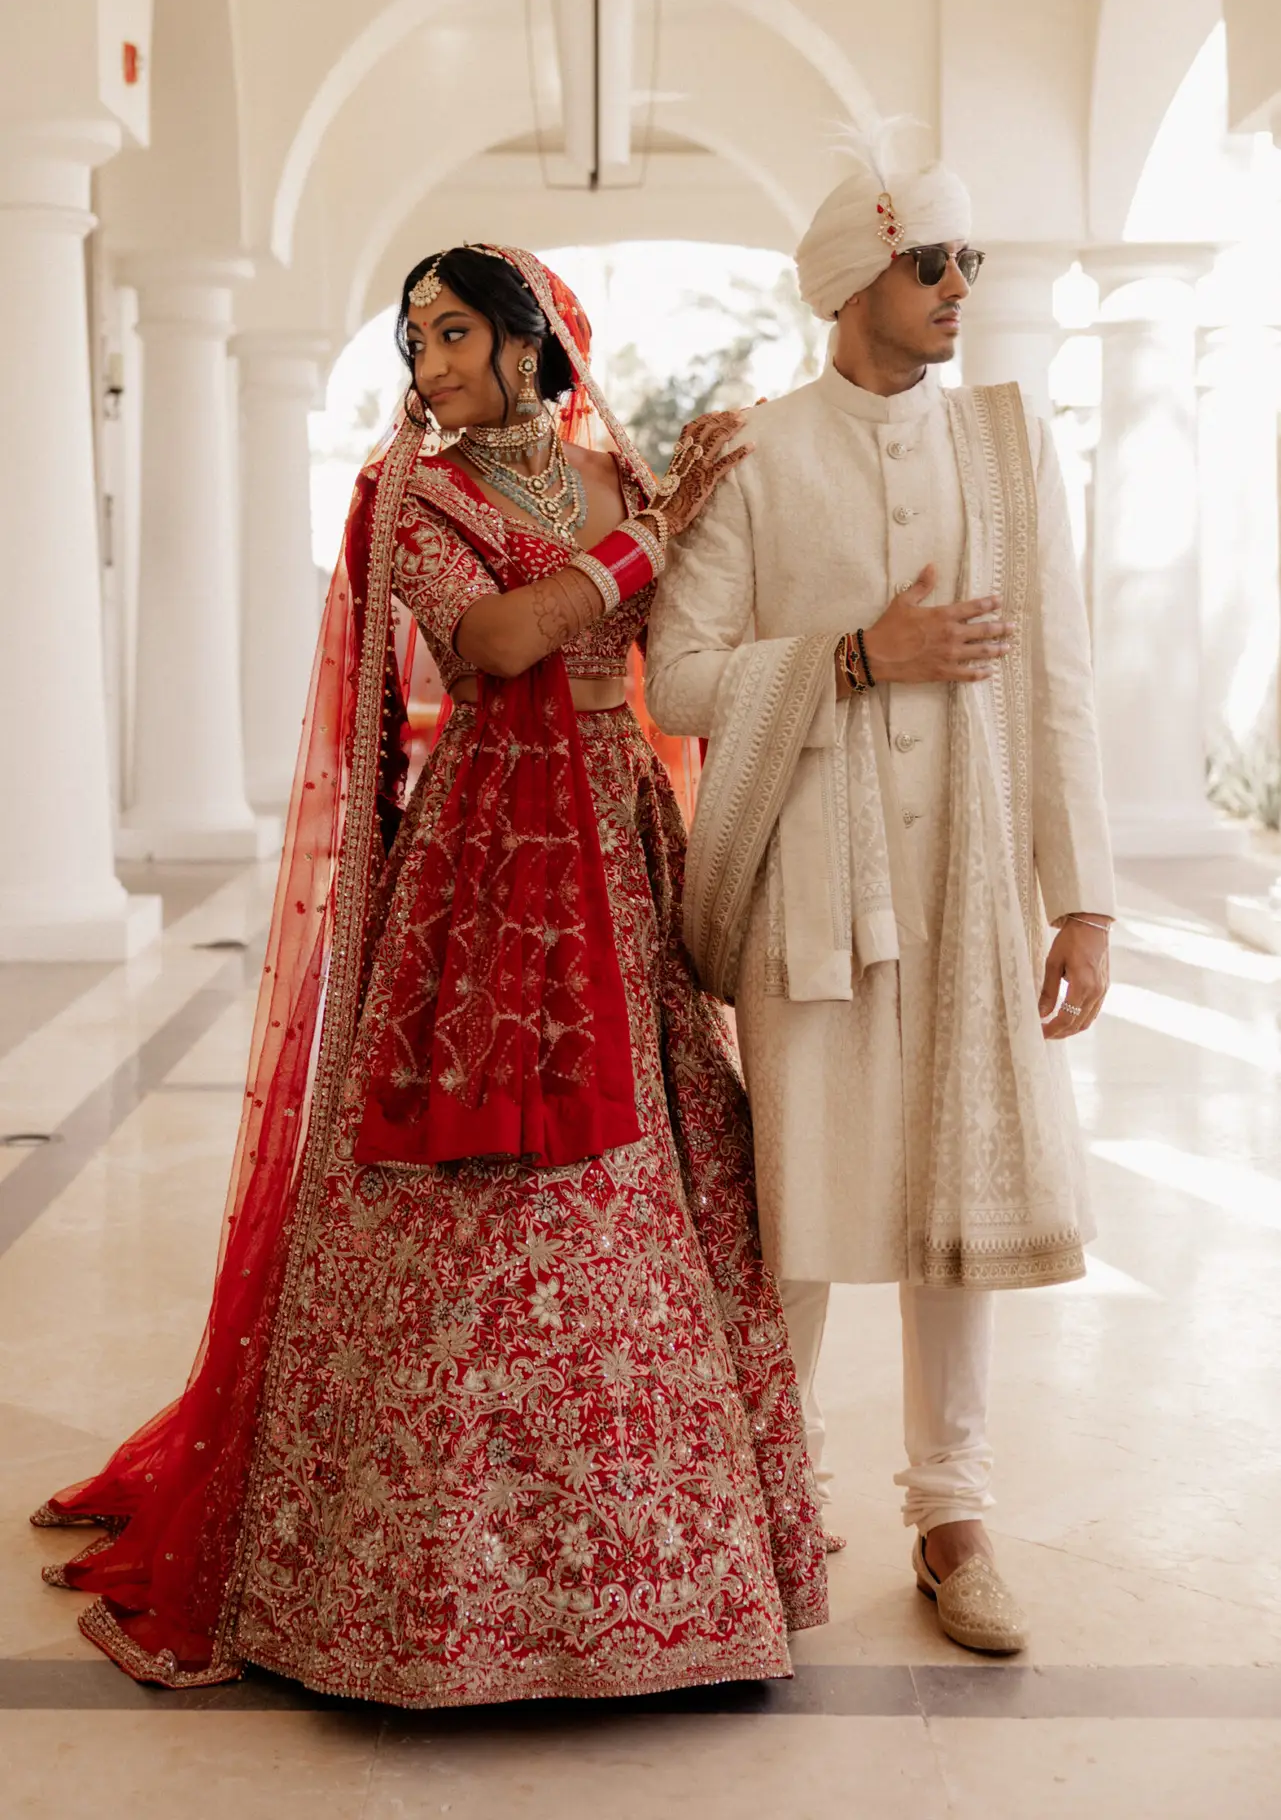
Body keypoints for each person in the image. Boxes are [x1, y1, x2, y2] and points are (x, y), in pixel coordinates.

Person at [33, 245, 827, 1705]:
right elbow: (496, 636)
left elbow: (685, 637)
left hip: (619, 856)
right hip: (493, 878)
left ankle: (680, 1583)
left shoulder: (618, 485)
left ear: (532, 345)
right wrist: (663, 539)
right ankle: (430, 1590)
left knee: (664, 1157)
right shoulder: (413, 494)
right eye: (418, 337)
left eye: (456, 333)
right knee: (475, 1197)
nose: (432, 363)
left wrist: (719, 519)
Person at [645, 127, 1116, 1656]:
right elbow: (683, 672)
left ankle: (953, 1516)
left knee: (953, 1202)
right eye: (931, 263)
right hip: (811, 885)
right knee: (804, 1207)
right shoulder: (760, 451)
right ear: (854, 282)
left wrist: (1084, 898)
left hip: (969, 876)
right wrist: (858, 657)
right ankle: (767, 1515)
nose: (959, 286)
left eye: (970, 260)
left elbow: (1056, 676)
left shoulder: (1006, 440)